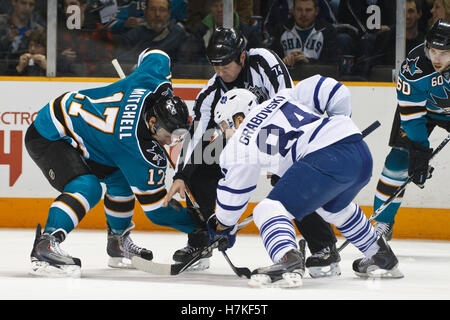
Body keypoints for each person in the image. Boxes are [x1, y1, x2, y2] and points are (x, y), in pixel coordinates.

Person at [163, 27, 342, 276]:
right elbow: (198, 134)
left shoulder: (264, 62)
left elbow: (289, 101)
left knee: (292, 178)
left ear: (242, 57)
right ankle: (201, 241)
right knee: (197, 169)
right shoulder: (212, 91)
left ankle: (324, 248)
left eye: (226, 65)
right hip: (239, 140)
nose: (220, 72)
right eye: (215, 66)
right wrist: (182, 174)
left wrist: (278, 154)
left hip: (281, 133)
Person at [25, 49, 201, 276]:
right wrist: (197, 228)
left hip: (90, 135)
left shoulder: (155, 84)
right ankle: (46, 244)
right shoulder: (136, 148)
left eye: (177, 136)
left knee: (121, 180)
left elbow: (156, 54)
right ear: (153, 120)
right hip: (52, 131)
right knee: (87, 187)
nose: (170, 142)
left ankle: (117, 242)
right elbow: (157, 209)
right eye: (168, 134)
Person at [206, 88, 404, 288]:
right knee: (333, 208)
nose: (224, 133)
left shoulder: (241, 140)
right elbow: (334, 90)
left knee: (267, 210)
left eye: (223, 126)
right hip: (358, 150)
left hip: (325, 158)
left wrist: (222, 225)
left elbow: (235, 193)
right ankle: (381, 255)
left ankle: (288, 260)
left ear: (238, 118)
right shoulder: (283, 97)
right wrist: (341, 125)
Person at [372, 19, 450, 239]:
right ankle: (383, 224)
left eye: (443, 53)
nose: (436, 58)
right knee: (398, 161)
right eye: (433, 50)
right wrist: (420, 152)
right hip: (422, 112)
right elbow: (412, 116)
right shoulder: (413, 67)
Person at [269, 0, 339, 67]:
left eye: (308, 10)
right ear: (293, 10)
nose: (303, 14)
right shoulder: (281, 30)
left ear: (316, 11)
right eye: (299, 10)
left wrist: (309, 62)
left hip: (317, 77)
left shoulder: (328, 31)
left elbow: (332, 66)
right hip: (288, 77)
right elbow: (271, 62)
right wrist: (282, 62)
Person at [116, 0, 188, 64]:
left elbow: (184, 65)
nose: (157, 14)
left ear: (169, 13)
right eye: (152, 9)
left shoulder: (178, 35)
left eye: (162, 10)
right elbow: (122, 63)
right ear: (145, 12)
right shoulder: (132, 36)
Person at [57, 0, 115, 77]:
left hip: (96, 77)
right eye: (65, 5)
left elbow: (109, 59)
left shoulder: (98, 30)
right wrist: (61, 57)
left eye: (73, 4)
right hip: (66, 77)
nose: (68, 8)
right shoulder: (59, 31)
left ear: (83, 7)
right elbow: (49, 58)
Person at [0, 0, 45, 71]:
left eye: (31, 5)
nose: (27, 8)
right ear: (14, 2)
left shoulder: (38, 30)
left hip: (25, 75)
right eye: (23, 3)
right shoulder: (1, 23)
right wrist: (6, 40)